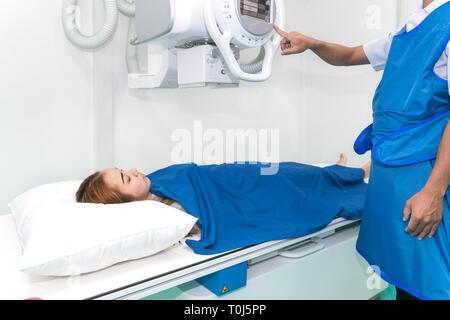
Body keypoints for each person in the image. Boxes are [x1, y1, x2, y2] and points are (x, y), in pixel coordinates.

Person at [274, 0, 449, 300]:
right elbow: (350, 55)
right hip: (389, 174)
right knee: (404, 279)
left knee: (432, 280)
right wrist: (312, 43)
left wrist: (433, 191)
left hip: (423, 175)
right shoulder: (409, 29)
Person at [76, 155, 371, 254]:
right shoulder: (163, 214)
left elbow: (192, 175)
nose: (134, 172)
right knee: (297, 191)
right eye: (127, 180)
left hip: (240, 175)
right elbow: (204, 213)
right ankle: (352, 174)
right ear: (126, 203)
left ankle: (342, 172)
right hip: (246, 196)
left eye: (123, 170)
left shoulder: (155, 182)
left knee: (290, 170)